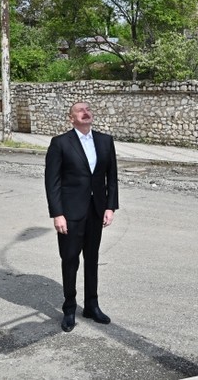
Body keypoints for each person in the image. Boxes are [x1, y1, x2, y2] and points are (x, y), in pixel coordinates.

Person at [44, 101, 119, 332]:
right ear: (71, 118)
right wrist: (57, 214)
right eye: (80, 110)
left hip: (96, 211)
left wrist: (110, 207)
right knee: (70, 260)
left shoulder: (105, 141)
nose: (85, 112)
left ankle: (91, 305)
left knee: (92, 259)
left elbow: (111, 177)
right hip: (71, 213)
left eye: (88, 109)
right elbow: (52, 182)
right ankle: (69, 308)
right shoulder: (60, 143)